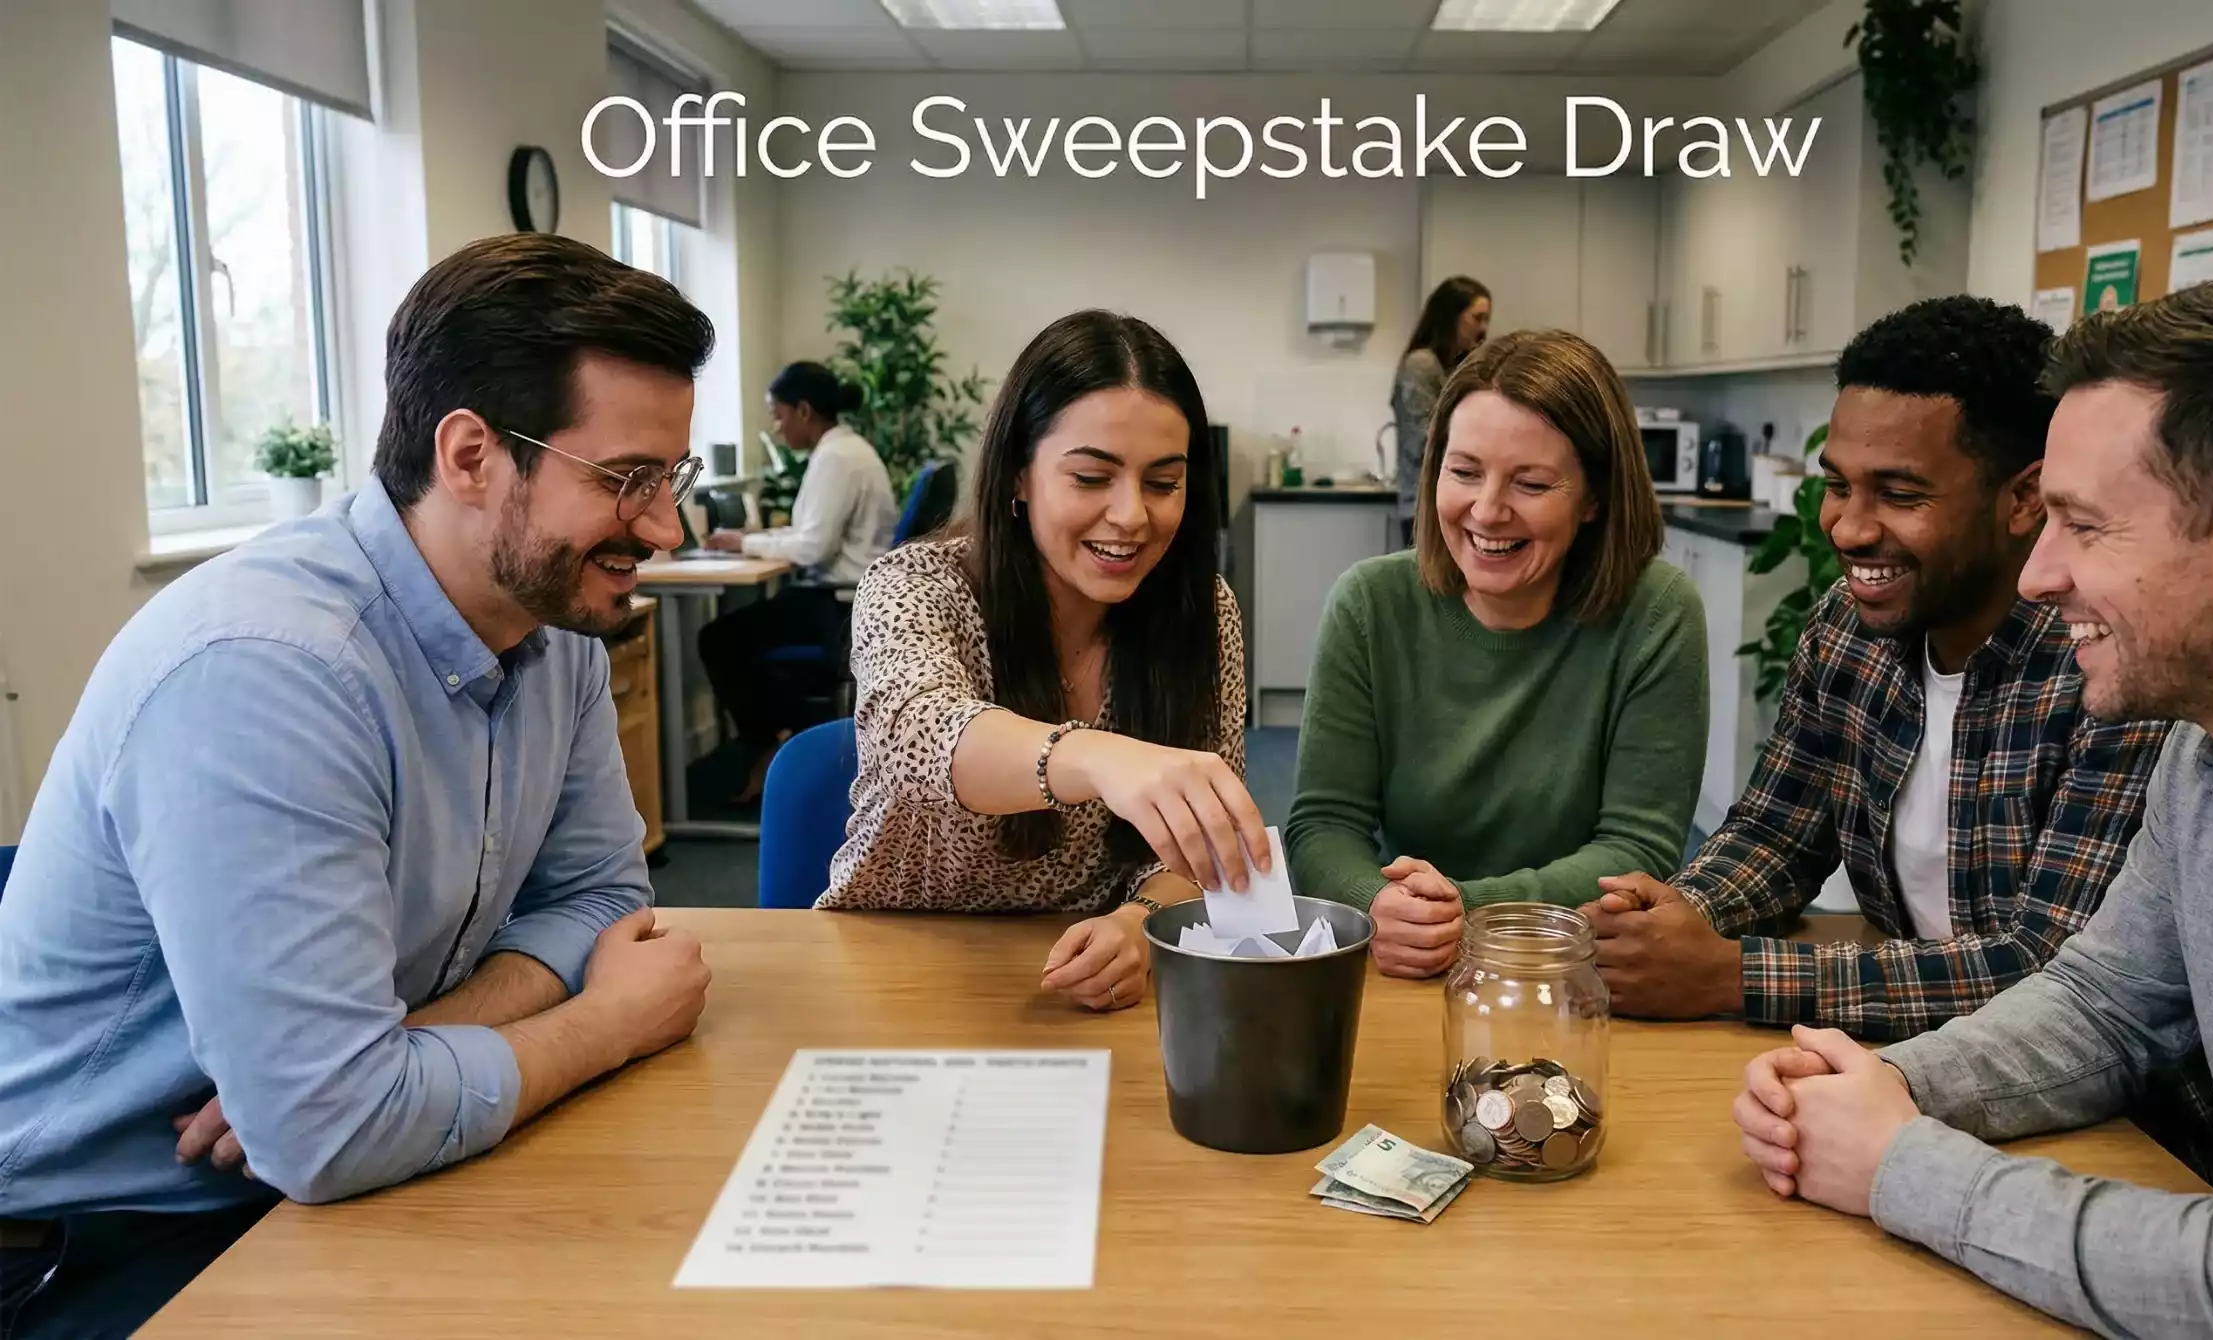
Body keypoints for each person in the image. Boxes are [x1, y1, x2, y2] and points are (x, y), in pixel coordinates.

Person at [0, 234, 716, 1338]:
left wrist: (415, 1047)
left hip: (311, 1181)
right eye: (627, 480)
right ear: (470, 455)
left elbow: (601, 896)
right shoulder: (265, 670)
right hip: (102, 1239)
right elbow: (329, 1132)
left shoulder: (552, 622)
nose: (665, 527)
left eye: (673, 477)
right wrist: (608, 1022)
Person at [1733, 279, 2213, 1336]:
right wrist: (1873, 1082)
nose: (2039, 574)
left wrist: (1901, 1162)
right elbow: (2103, 1003)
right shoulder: (2207, 751)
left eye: (2084, 525)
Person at [1580, 296, 2169, 1044]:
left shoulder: (2109, 665)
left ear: (2024, 497)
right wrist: (1673, 920)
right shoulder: (1845, 627)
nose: (1848, 528)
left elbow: (2052, 966)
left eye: (1899, 494)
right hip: (1897, 1049)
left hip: (2076, 1078)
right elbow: (1777, 835)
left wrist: (1729, 975)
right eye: (1837, 485)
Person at [820, 309, 1267, 1014]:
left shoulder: (1202, 609)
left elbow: (1197, 842)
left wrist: (1141, 922)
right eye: (1090, 477)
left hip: (1077, 986)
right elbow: (919, 735)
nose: (1131, 515)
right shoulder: (916, 585)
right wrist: (1100, 757)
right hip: (895, 961)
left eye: (1162, 483)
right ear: (1019, 474)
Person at [1288, 328, 1708, 980]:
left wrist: (1468, 911)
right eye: (1464, 472)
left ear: (1594, 497)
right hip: (1411, 967)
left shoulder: (1657, 612)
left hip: (1574, 969)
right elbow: (1323, 826)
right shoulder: (1369, 603)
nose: (1486, 511)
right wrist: (1378, 903)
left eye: (1530, 484)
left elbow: (1637, 848)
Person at [697, 362, 897, 803]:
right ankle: (780, 736)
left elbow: (812, 548)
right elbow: (811, 535)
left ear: (804, 411)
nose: (777, 426)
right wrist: (752, 540)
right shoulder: (845, 450)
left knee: (719, 639)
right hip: (845, 595)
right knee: (738, 634)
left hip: (837, 604)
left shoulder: (836, 458)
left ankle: (773, 743)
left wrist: (745, 543)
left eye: (779, 414)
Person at [1391, 275, 1491, 547]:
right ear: (1451, 317)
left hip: (1441, 503)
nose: (1483, 328)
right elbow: (1424, 442)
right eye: (1477, 318)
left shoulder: (1451, 366)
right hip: (1425, 507)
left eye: (1486, 319)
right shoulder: (1422, 365)